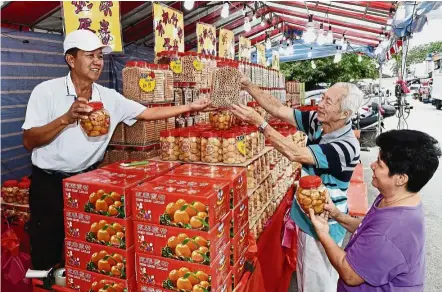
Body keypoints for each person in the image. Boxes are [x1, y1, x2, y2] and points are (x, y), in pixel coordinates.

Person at [22, 29, 210, 270]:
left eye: (100, 56)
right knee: (45, 246)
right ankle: (41, 282)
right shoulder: (46, 92)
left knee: (88, 244)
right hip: (49, 185)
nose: (98, 62)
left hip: (87, 179)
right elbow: (29, 140)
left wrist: (190, 107)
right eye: (90, 56)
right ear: (71, 60)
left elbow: (147, 113)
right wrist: (66, 119)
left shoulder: (109, 97)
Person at [231, 80, 364, 292]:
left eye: (328, 101)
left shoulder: (345, 146)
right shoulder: (318, 122)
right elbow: (278, 108)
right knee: (304, 277)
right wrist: (248, 86)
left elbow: (297, 153)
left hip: (324, 224)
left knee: (318, 283)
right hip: (306, 218)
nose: (320, 104)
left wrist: (261, 123)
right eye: (322, 97)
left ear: (344, 114)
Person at [309, 130, 441, 291]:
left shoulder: (392, 229)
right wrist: (337, 215)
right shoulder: (397, 198)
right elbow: (366, 227)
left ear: (401, 178)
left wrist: (323, 233)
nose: (372, 165)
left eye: (379, 163)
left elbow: (349, 274)